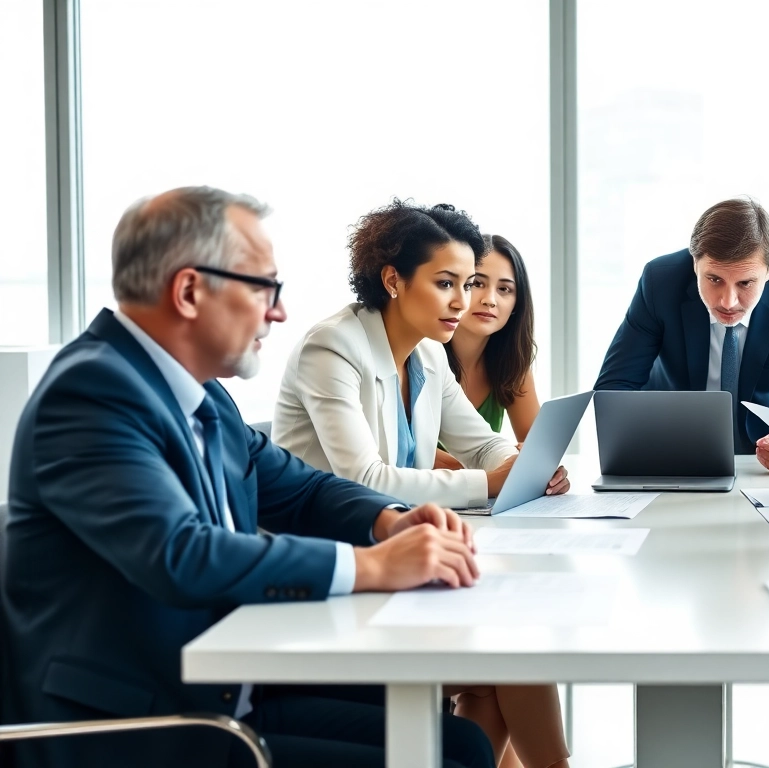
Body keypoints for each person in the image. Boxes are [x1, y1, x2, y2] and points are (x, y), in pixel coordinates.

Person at [1, 187, 493, 768]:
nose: (278, 311)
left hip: (224, 689)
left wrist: (391, 520)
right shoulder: (92, 394)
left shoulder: (200, 391)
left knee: (460, 743)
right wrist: (372, 566)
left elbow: (301, 487)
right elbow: (181, 553)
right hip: (130, 725)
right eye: (264, 287)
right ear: (188, 291)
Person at [273, 201, 570, 768]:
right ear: (392, 280)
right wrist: (491, 481)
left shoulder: (429, 355)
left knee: (511, 657)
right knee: (509, 657)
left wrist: (524, 468)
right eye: (446, 283)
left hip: (403, 560)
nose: (463, 301)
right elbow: (362, 478)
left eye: (466, 283)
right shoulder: (332, 348)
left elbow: (482, 443)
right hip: (334, 577)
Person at [594, 197, 769, 473]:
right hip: (673, 456)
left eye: (745, 283)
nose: (728, 302)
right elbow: (613, 388)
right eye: (714, 279)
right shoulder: (660, 281)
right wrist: (645, 449)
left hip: (768, 466)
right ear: (695, 265)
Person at [435, 234, 540, 471]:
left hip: (476, 500)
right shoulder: (418, 358)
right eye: (477, 284)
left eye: (504, 289)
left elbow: (537, 448)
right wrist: (497, 471)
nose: (490, 300)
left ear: (517, 304)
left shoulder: (513, 366)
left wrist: (547, 470)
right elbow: (407, 453)